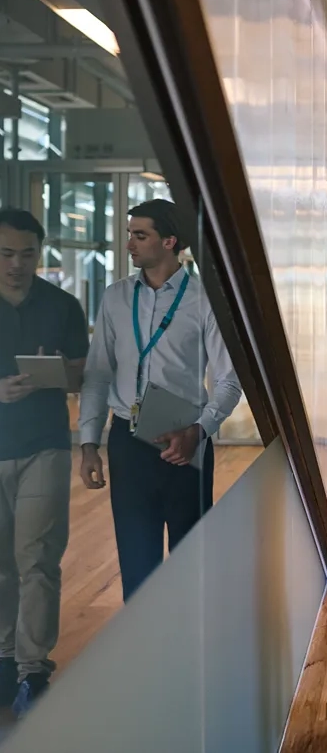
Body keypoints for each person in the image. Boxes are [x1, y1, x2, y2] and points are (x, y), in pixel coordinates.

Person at [78, 199, 242, 602]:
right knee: (136, 562)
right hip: (127, 443)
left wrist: (199, 431)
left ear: (170, 241)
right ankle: (144, 659)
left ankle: (189, 657)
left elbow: (229, 380)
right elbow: (98, 374)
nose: (130, 243)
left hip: (184, 444)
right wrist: (87, 443)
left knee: (191, 559)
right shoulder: (116, 298)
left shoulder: (204, 301)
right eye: (130, 234)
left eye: (140, 235)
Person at [0, 209, 89, 717]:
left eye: (27, 254)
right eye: (7, 253)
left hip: (45, 444)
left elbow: (82, 373)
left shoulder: (62, 306)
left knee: (36, 559)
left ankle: (33, 668)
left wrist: (59, 374)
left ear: (40, 252)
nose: (16, 264)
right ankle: (5, 655)